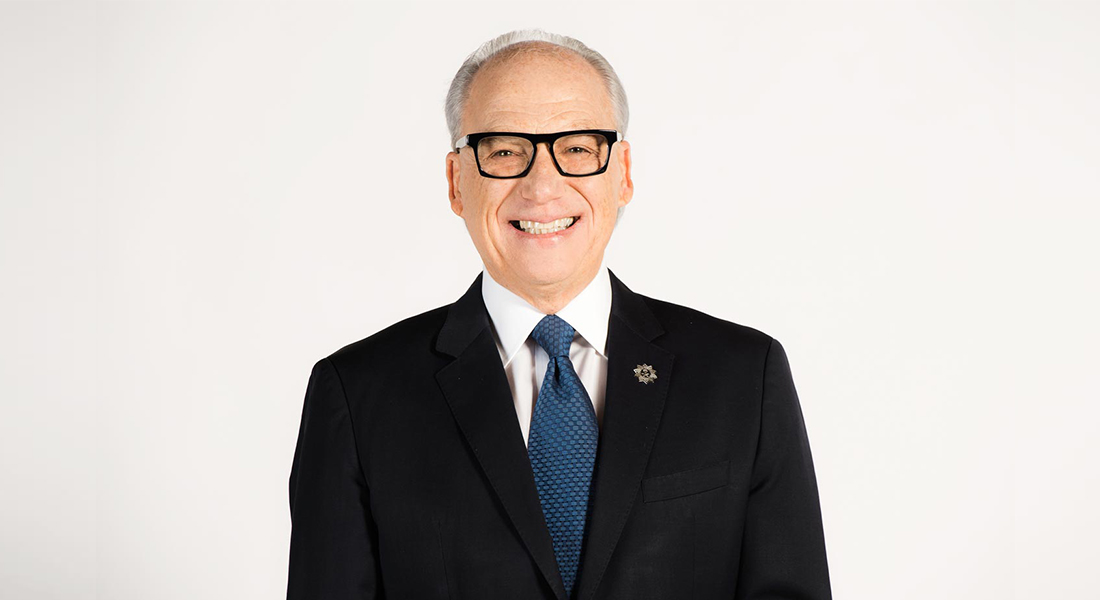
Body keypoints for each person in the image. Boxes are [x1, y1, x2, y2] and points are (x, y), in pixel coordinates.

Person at [287, 28, 831, 600]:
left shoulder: (742, 377)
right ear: (455, 182)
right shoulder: (356, 395)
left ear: (622, 173)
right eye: (503, 151)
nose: (542, 186)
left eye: (576, 149)